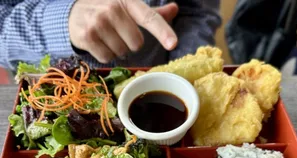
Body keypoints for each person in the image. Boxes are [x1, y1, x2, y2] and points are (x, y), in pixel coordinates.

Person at [0, 0, 221, 70]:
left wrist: (182, 69)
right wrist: (60, 22)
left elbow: (197, 12)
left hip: (160, 83)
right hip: (58, 99)